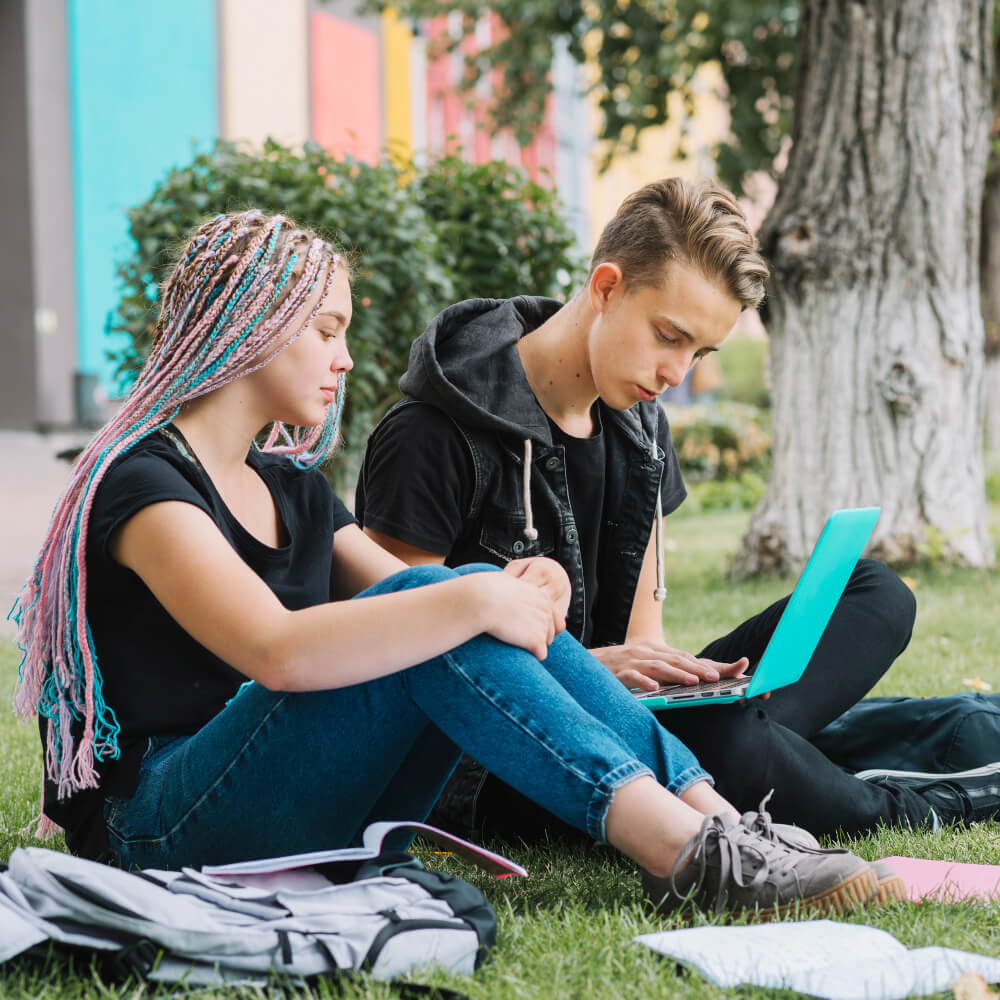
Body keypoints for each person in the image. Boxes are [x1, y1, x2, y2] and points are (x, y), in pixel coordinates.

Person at [10, 210, 892, 919]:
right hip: (156, 826)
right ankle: (684, 852)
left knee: (444, 605)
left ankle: (722, 826)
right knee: (442, 603)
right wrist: (476, 598)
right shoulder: (146, 484)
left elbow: (403, 602)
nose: (345, 357)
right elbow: (278, 651)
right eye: (324, 330)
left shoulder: (289, 487)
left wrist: (528, 589)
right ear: (250, 324)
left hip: (277, 804)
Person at [355, 178, 1000, 841]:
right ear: (606, 287)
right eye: (670, 336)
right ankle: (918, 799)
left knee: (876, 593)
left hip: (630, 717)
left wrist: (680, 677)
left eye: (700, 352)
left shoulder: (641, 430)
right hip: (508, 755)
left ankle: (765, 741)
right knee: (728, 744)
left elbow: (647, 638)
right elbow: (404, 658)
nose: (678, 373)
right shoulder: (430, 433)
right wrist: (598, 669)